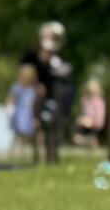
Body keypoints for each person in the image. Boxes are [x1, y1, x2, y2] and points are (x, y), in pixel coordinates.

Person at [22, 21, 73, 165]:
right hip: (37, 97)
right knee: (37, 125)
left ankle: (53, 158)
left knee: (54, 127)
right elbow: (25, 72)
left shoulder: (59, 56)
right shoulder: (33, 55)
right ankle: (36, 158)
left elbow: (67, 74)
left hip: (56, 96)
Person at [9, 62, 43, 164]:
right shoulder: (17, 87)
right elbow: (11, 99)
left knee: (33, 137)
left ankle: (31, 159)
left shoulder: (34, 88)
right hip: (20, 114)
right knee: (20, 137)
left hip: (30, 114)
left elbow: (36, 104)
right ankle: (17, 158)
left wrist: (36, 118)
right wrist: (9, 110)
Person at [74, 73, 109, 149]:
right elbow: (84, 111)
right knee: (88, 135)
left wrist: (92, 122)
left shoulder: (98, 101)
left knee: (86, 136)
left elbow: (99, 115)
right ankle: (87, 141)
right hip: (86, 122)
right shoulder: (85, 100)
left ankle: (86, 140)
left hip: (95, 122)